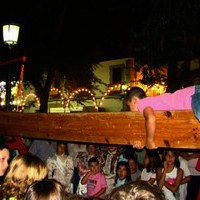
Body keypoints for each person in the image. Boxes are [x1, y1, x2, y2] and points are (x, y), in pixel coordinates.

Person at [126, 86, 200, 149]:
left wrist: (149, 140)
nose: (131, 111)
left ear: (134, 101)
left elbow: (151, 118)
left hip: (194, 95)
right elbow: (151, 124)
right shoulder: (151, 104)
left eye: (129, 107)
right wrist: (143, 141)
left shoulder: (142, 104)